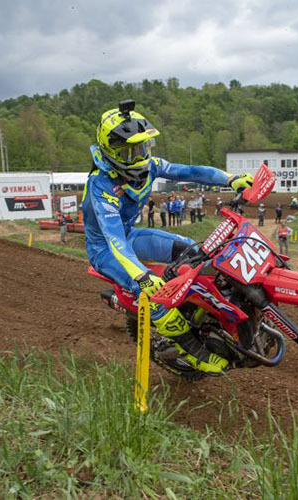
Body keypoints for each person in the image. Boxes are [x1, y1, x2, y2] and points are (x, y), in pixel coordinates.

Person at [82, 100, 253, 374]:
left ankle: (208, 312)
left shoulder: (149, 166)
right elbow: (114, 239)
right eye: (131, 150)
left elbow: (188, 171)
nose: (140, 156)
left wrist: (230, 178)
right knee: (155, 291)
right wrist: (141, 275)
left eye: (143, 147)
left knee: (193, 251)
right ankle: (191, 350)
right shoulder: (100, 185)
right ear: (113, 151)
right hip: (106, 250)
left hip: (131, 235)